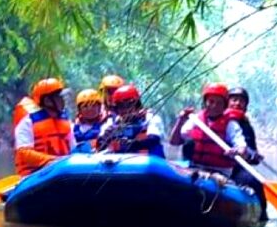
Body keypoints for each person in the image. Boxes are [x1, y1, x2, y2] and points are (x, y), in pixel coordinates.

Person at [170, 83, 267, 220]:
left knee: (252, 181)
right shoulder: (196, 120)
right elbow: (176, 140)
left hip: (227, 169)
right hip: (197, 166)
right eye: (211, 102)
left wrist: (240, 151)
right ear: (205, 103)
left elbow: (242, 146)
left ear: (224, 105)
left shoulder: (235, 125)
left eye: (219, 102)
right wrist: (180, 120)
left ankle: (261, 216)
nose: (214, 106)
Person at [14, 78, 76, 175]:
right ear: (47, 101)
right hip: (33, 174)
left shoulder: (65, 120)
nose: (62, 100)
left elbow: (73, 148)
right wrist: (51, 160)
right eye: (58, 97)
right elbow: (24, 152)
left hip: (61, 171)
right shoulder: (28, 119)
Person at [97, 84, 165, 158]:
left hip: (149, 163)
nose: (126, 110)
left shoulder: (150, 118)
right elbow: (100, 143)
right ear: (117, 109)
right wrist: (109, 135)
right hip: (123, 164)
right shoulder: (111, 122)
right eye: (121, 106)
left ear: (137, 105)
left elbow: (153, 139)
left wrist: (131, 144)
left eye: (129, 105)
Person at [71, 88, 104, 152]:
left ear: (99, 108)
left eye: (93, 105)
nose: (90, 109)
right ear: (79, 110)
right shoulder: (72, 127)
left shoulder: (106, 125)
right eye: (85, 106)